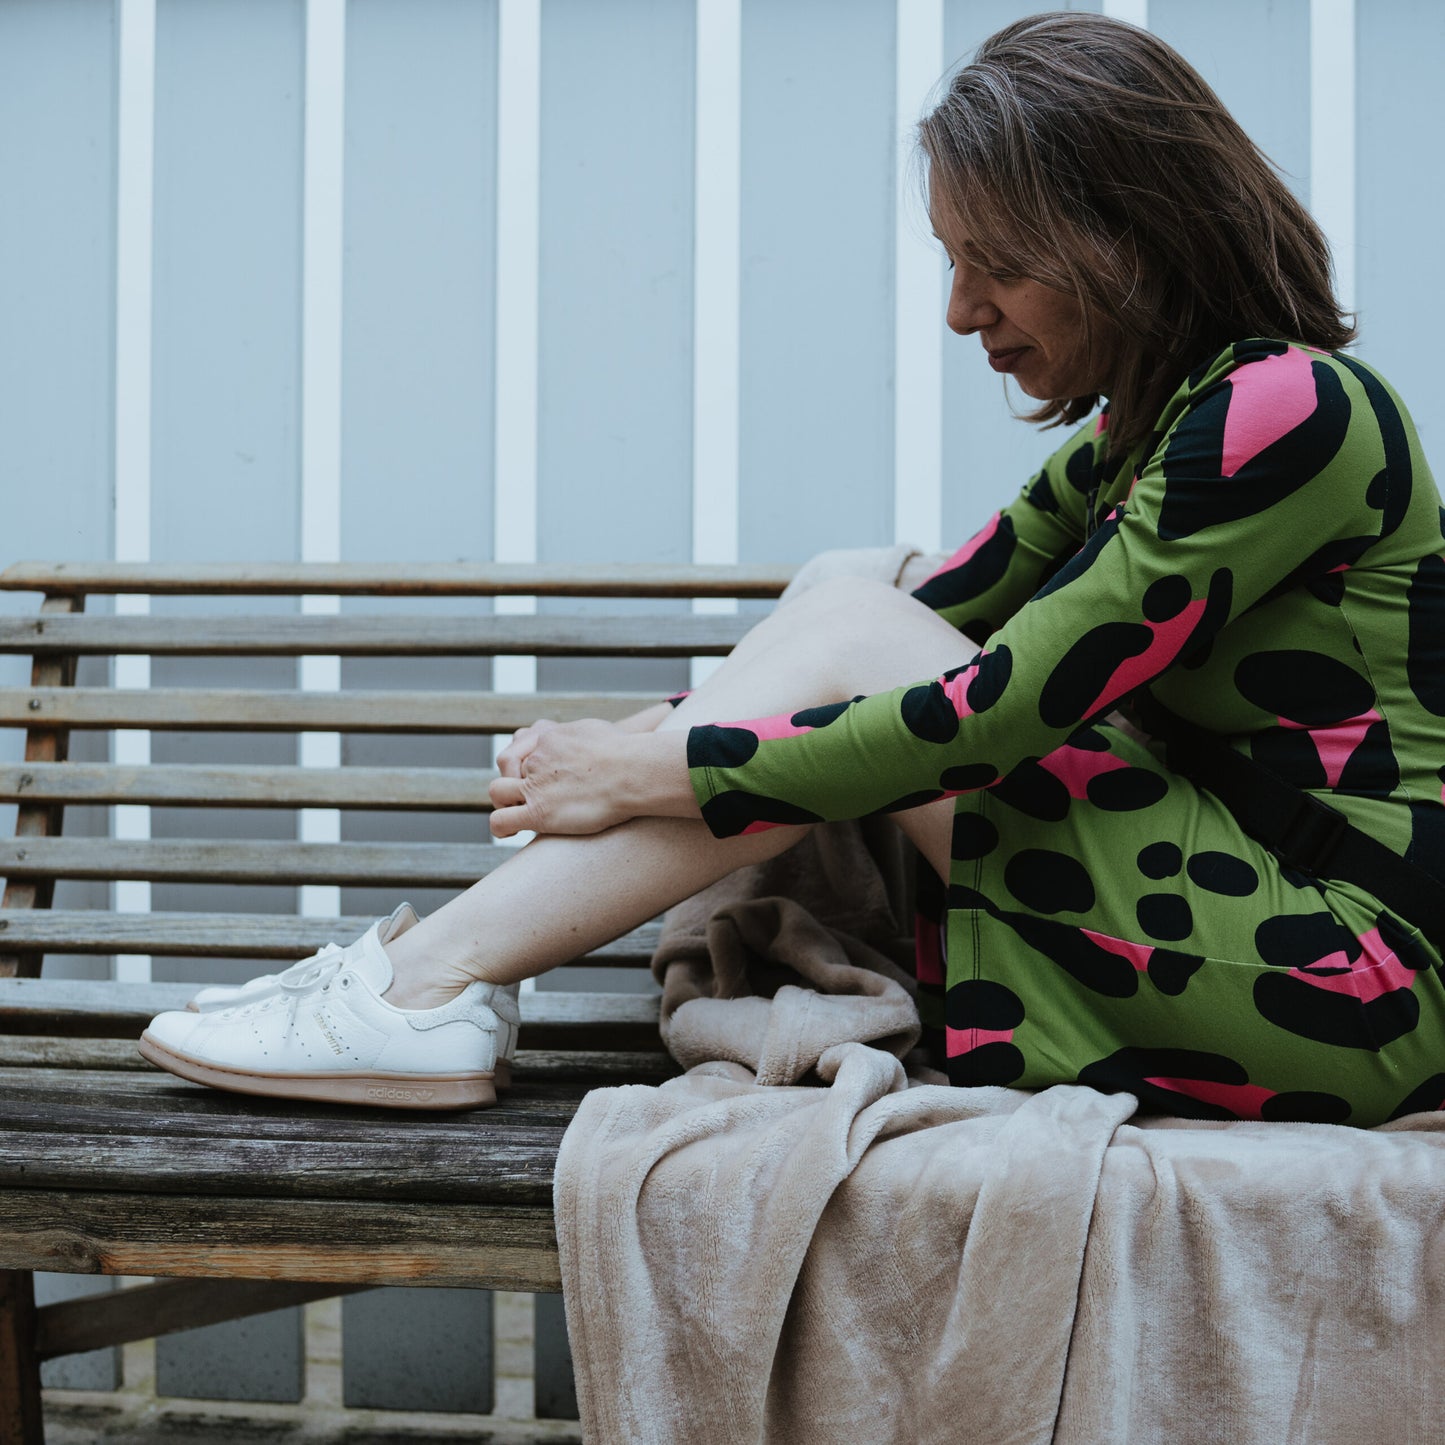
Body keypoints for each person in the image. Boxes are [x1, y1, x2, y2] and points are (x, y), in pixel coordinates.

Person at [140, 12, 1445, 1126]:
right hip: (1236, 934)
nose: (959, 310)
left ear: (1131, 239)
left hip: (1343, 976)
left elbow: (1000, 713)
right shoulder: (1140, 436)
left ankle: (425, 983)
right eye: (950, 260)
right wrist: (639, 737)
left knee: (853, 625)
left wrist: (647, 768)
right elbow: (929, 611)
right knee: (849, 593)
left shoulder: (1290, 410)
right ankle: (435, 976)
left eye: (997, 265)